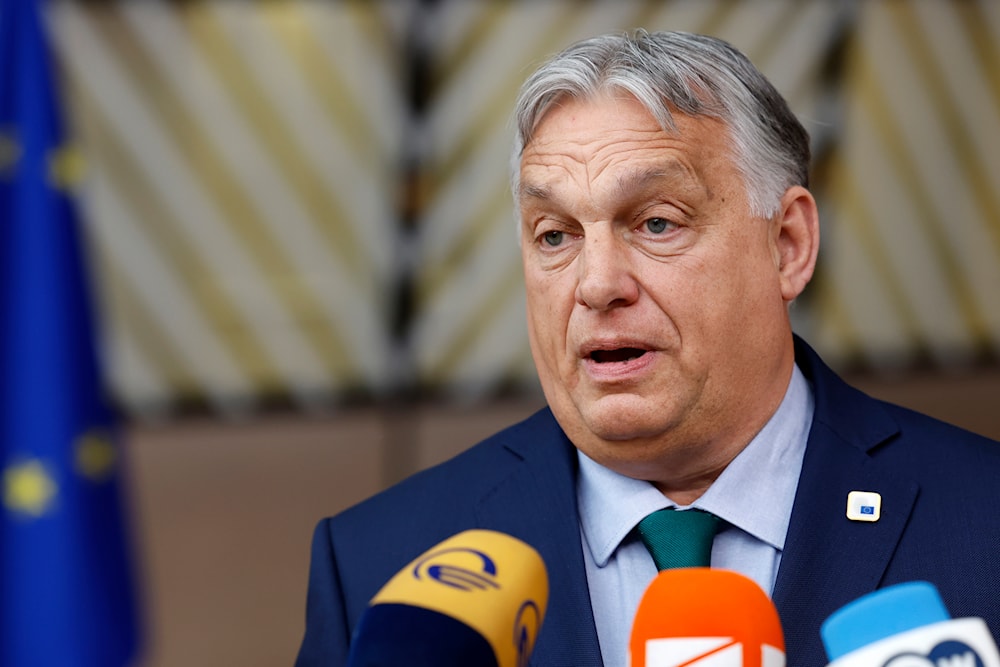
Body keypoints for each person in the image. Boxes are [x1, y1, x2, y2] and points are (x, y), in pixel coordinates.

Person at [295, 30, 1000, 667]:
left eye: (657, 223)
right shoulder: (379, 571)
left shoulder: (981, 518)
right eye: (554, 235)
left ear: (787, 244)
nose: (596, 284)